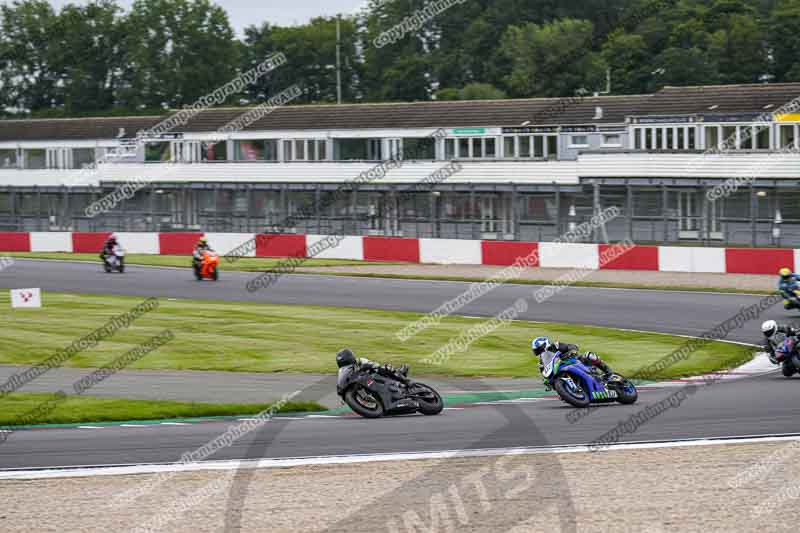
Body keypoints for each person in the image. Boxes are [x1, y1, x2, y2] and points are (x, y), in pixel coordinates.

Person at [531, 336, 614, 378]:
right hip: (562, 370)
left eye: (539, 349)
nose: (538, 352)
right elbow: (545, 373)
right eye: (536, 351)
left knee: (589, 355)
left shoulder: (556, 346)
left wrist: (571, 351)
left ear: (545, 344)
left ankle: (608, 372)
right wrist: (546, 380)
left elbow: (572, 346)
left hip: (574, 361)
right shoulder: (542, 361)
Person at [336, 348, 409, 381]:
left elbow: (374, 365)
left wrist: (367, 367)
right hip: (365, 384)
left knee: (383, 368)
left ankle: (400, 374)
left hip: (374, 378)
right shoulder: (344, 373)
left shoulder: (360, 361)